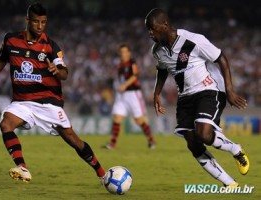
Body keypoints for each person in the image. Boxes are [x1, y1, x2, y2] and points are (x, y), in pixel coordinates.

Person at [0, 2, 105, 183]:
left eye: (43, 22)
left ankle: (102, 174)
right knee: (5, 124)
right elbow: (1, 61)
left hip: (48, 102)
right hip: (22, 102)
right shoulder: (11, 40)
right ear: (27, 20)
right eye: (36, 22)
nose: (40, 26)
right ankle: (22, 168)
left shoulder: (51, 46)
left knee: (73, 139)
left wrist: (57, 71)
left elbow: (65, 73)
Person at [145, 8, 249, 187]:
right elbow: (162, 69)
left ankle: (235, 149)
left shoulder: (193, 40)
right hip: (185, 97)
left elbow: (221, 58)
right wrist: (156, 93)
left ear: (164, 26)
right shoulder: (157, 51)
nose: (150, 33)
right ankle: (230, 184)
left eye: (152, 29)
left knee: (203, 134)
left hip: (209, 90)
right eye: (148, 30)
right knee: (193, 143)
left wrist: (230, 90)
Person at [104, 44, 156, 149]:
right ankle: (112, 144)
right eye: (121, 52)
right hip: (121, 95)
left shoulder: (132, 63)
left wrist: (124, 85)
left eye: (124, 51)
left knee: (139, 119)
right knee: (117, 117)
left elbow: (135, 75)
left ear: (129, 53)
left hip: (133, 94)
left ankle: (151, 140)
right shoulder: (119, 65)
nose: (123, 54)